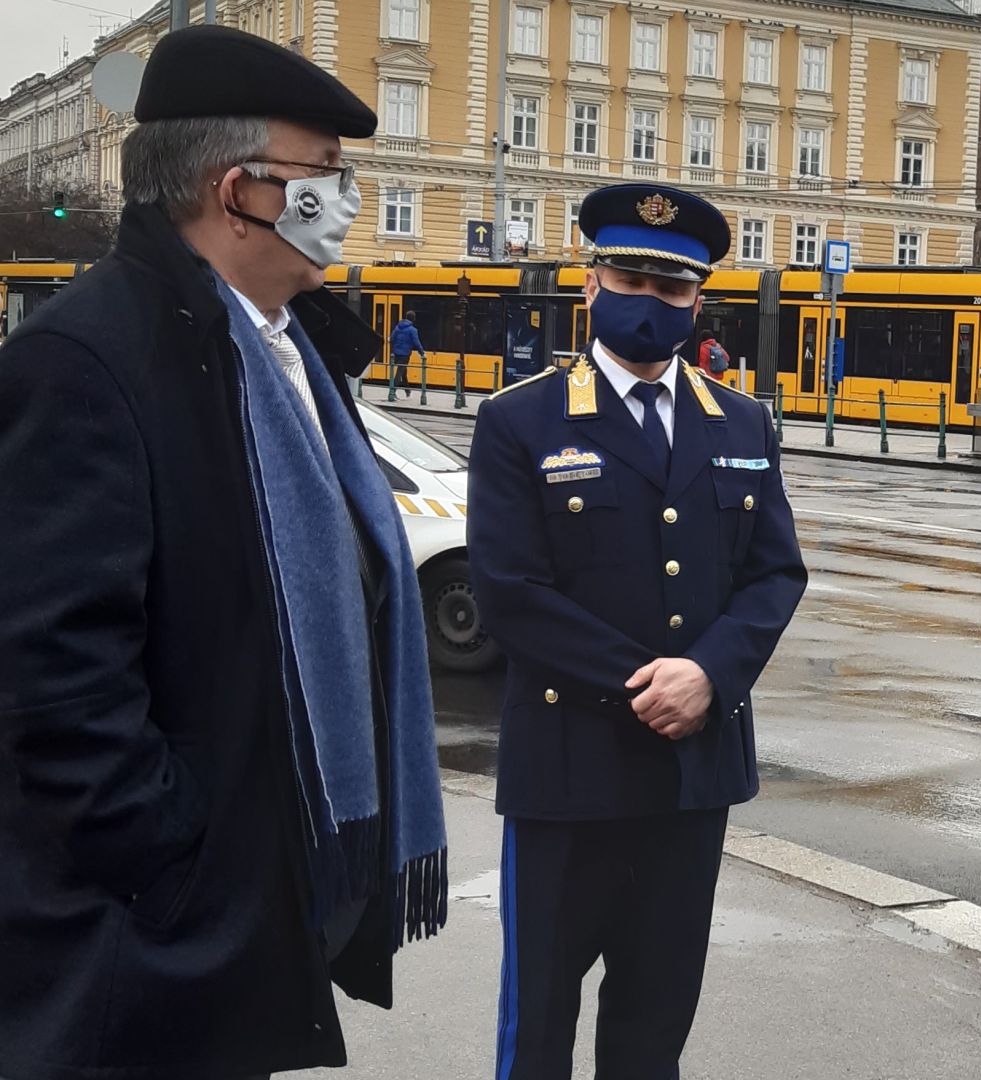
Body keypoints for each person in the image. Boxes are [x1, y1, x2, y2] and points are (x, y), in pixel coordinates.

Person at [0, 26, 447, 1080]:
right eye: (324, 176)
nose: (343, 198)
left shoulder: (289, 348)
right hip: (144, 947)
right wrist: (181, 862)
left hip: (263, 885)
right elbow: (50, 673)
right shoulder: (86, 360)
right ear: (232, 187)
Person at [469, 182, 807, 1080]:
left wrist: (711, 676)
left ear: (699, 300)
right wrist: (646, 683)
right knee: (537, 1030)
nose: (650, 303)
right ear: (590, 283)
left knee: (655, 1034)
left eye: (673, 289)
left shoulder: (741, 423)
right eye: (631, 278)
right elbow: (510, 591)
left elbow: (774, 574)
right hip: (567, 777)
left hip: (689, 782)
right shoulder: (521, 421)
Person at [390, 307, 425, 395]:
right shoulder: (413, 330)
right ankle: (392, 392)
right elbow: (416, 343)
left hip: (396, 353)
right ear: (413, 319)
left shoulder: (398, 327)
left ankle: (407, 390)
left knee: (403, 371)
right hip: (405, 354)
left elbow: (392, 338)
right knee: (400, 371)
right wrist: (422, 353)